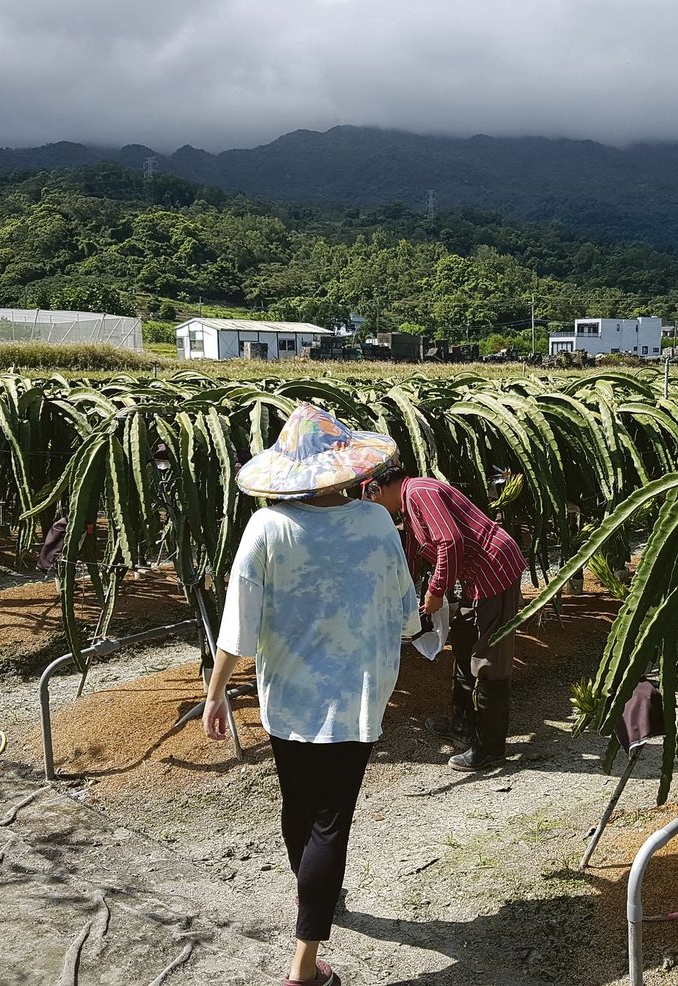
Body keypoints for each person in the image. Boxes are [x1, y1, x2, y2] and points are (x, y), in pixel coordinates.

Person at [203, 403, 420, 986]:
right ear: (346, 467)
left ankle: (314, 896)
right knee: (330, 821)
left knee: (298, 807)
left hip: (287, 697)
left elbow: (238, 624)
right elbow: (405, 615)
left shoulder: (267, 527)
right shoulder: (376, 523)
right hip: (357, 696)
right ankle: (304, 966)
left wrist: (216, 691)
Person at [362, 465, 527, 772]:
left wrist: (437, 591)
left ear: (378, 490)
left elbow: (450, 542)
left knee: (490, 657)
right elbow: (413, 554)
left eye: (371, 503)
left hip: (494, 571)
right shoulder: (410, 507)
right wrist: (405, 599)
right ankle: (462, 726)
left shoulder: (420, 492)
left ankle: (491, 748)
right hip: (477, 577)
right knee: (463, 639)